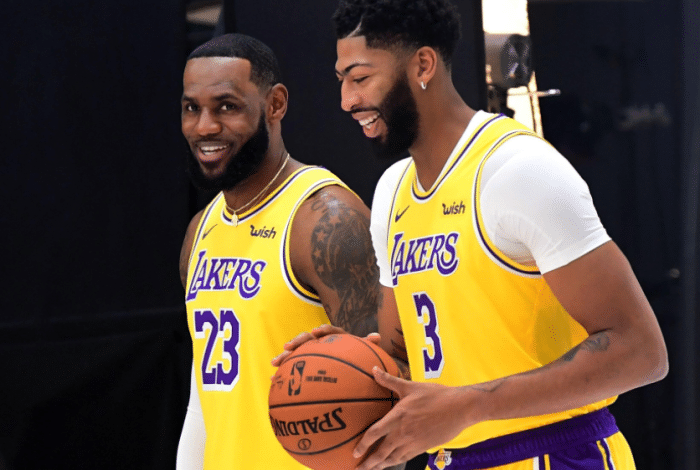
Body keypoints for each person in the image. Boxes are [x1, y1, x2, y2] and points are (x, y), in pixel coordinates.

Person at [274, 1, 669, 469]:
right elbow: (408, 357)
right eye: (341, 80)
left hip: (554, 452)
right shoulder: (392, 191)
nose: (346, 100)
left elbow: (641, 351)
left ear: (423, 65)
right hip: (451, 458)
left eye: (360, 78)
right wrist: (346, 359)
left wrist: (469, 406)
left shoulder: (518, 170)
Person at [175, 33, 382, 469]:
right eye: (192, 108)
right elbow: (204, 401)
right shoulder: (200, 231)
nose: (204, 126)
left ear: (275, 104)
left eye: (226, 107)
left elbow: (386, 393)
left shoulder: (326, 220)